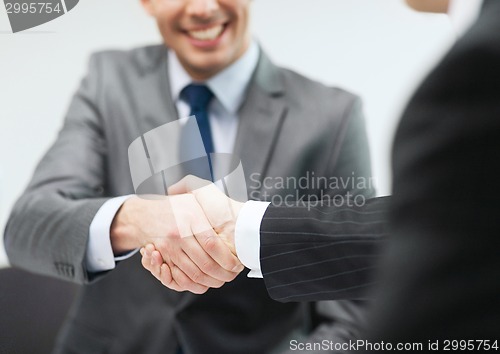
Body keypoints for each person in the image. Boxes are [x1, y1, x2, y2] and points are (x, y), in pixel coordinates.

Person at [4, 0, 378, 352]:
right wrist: (139, 218)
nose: (201, 8)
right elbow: (27, 226)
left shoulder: (332, 116)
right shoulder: (109, 81)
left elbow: (354, 313)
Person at [143, 0, 500, 342]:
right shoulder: (116, 97)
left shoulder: (477, 65)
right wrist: (240, 228)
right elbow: (432, 228)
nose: (202, 7)